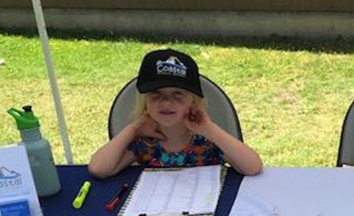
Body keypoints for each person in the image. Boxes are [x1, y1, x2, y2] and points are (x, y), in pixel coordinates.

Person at [89, 48, 262, 178]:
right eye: (156, 94)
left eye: (177, 95)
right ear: (145, 101)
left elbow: (253, 167)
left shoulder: (207, 139)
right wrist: (133, 129)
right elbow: (98, 169)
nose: (166, 103)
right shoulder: (144, 141)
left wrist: (209, 129)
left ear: (193, 101)